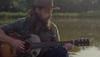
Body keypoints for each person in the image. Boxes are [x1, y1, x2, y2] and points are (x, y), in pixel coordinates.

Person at [0, 0, 73, 57]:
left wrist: (65, 48)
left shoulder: (52, 28)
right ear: (37, 10)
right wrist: (13, 42)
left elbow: (57, 48)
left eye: (51, 10)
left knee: (61, 51)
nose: (50, 13)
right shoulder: (23, 23)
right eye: (47, 10)